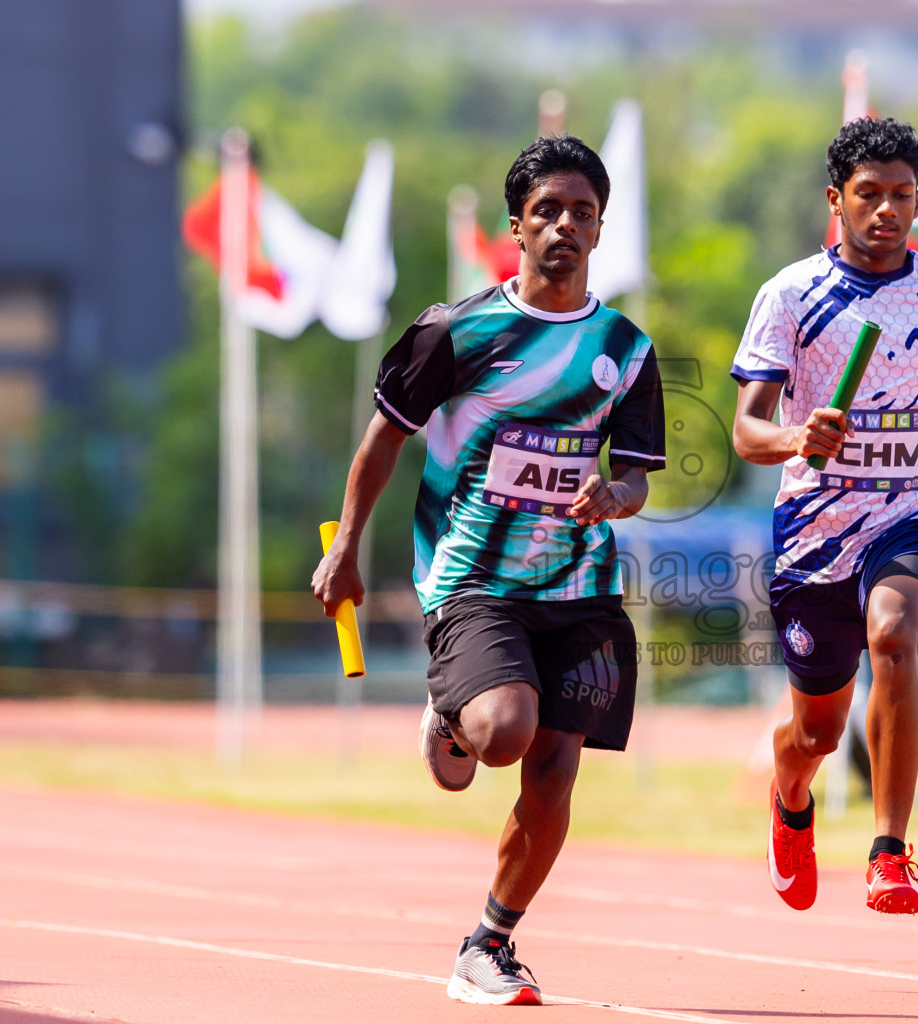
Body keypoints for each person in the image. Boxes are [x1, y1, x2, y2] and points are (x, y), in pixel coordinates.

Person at [312, 135, 665, 1004]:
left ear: (600, 227)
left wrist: (614, 496)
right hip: (474, 580)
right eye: (548, 210)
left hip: (579, 586)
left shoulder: (625, 345)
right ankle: (452, 710)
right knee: (504, 734)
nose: (565, 227)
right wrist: (345, 548)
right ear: (517, 225)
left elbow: (635, 473)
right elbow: (382, 441)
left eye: (582, 212)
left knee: (555, 772)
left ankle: (489, 944)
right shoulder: (457, 331)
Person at [730, 117, 918, 916]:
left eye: (902, 196)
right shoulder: (792, 295)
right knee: (814, 738)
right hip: (815, 539)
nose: (887, 211)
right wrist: (801, 437)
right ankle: (789, 798)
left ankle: (888, 851)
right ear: (835, 200)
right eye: (868, 195)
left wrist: (912, 453)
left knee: (892, 632)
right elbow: (747, 431)